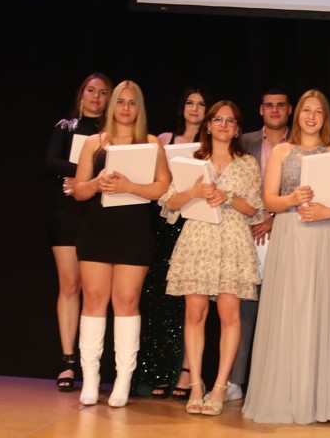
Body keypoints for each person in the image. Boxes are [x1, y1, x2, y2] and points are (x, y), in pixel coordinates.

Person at [243, 89, 330, 424]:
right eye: (306, 110)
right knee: (287, 311)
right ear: (297, 114)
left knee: (321, 311)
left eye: (318, 111)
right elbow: (269, 201)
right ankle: (284, 396)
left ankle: (318, 400)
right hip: (289, 235)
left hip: (325, 235)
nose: (311, 116)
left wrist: (328, 210)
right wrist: (291, 198)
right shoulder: (281, 152)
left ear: (325, 117)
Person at [73, 80, 171, 407]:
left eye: (132, 103)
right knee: (94, 300)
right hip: (97, 228)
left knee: (127, 301)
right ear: (112, 106)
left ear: (139, 108)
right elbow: (79, 191)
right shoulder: (93, 143)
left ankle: (122, 381)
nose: (126, 108)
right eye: (120, 102)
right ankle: (90, 379)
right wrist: (96, 183)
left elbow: (162, 190)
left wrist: (130, 185)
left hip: (134, 231)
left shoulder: (151, 143)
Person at [161, 100, 263, 416]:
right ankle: (195, 385)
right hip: (198, 237)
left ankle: (220, 386)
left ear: (237, 129)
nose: (223, 125)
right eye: (218, 119)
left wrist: (229, 196)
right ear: (208, 124)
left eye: (230, 121)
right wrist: (193, 192)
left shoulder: (247, 163)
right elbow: (169, 203)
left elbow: (255, 209)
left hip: (232, 239)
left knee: (230, 313)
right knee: (195, 311)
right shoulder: (191, 159)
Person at [140, 86, 212, 400]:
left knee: (193, 302)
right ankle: (156, 370)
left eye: (201, 104)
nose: (194, 109)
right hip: (166, 226)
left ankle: (186, 371)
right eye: (189, 103)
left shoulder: (213, 143)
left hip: (198, 225)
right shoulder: (164, 139)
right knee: (160, 298)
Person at [45, 72, 112, 392]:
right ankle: (68, 361)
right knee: (69, 285)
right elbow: (51, 161)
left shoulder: (112, 133)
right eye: (90, 91)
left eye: (102, 93)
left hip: (98, 213)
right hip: (66, 212)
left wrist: (86, 179)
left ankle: (92, 363)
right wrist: (82, 173)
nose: (96, 97)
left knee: (96, 291)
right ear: (81, 94)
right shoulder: (66, 126)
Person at [225, 85, 292, 401]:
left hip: (290, 233)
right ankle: (235, 381)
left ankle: (274, 385)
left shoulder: (303, 144)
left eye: (281, 105)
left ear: (289, 110)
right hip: (248, 234)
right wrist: (257, 221)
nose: (275, 110)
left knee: (283, 310)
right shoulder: (244, 142)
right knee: (244, 309)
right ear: (261, 110)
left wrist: (274, 220)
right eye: (269, 105)